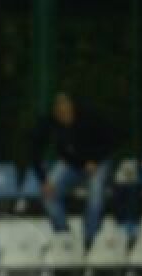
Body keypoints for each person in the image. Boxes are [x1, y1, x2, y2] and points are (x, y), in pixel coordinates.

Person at [33, 92, 114, 242]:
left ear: (72, 107)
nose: (64, 113)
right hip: (72, 163)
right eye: (59, 110)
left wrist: (94, 160)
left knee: (96, 196)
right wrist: (44, 180)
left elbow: (109, 142)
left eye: (66, 108)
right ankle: (65, 237)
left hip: (98, 162)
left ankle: (90, 239)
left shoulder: (89, 117)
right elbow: (35, 152)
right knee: (48, 194)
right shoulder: (49, 124)